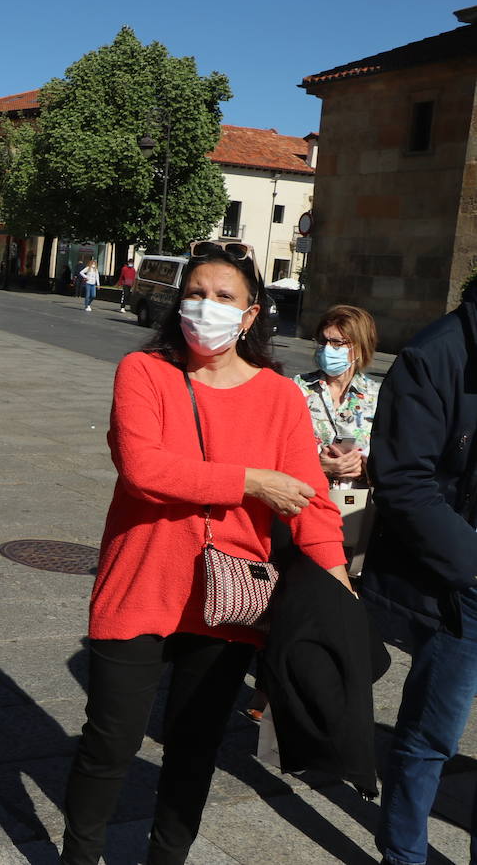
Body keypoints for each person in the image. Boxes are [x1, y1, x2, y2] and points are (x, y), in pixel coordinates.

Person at [59, 242, 349, 865]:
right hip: (139, 587)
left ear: (249, 317)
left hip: (229, 601)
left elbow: (310, 497)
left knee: (193, 751)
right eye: (195, 293)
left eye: (224, 298)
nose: (205, 307)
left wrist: (334, 571)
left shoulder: (278, 397)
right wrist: (251, 481)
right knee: (109, 746)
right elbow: (144, 470)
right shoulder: (144, 372)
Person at [364, 282, 477, 865]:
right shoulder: (436, 353)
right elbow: (404, 483)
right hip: (464, 585)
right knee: (433, 733)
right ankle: (403, 855)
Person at [292, 305, 380, 489]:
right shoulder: (296, 389)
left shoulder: (377, 397)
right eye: (323, 341)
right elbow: (279, 452)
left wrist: (363, 468)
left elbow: (391, 458)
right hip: (305, 499)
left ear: (360, 347)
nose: (327, 348)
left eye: (337, 343)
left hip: (354, 507)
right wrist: (319, 467)